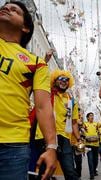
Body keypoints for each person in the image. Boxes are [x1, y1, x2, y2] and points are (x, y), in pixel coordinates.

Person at [0, 1, 57, 180]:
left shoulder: (36, 63)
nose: (6, 8)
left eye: (14, 10)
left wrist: (51, 148)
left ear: (25, 27)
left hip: (13, 145)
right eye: (4, 7)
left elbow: (43, 107)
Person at [51, 70, 81, 180]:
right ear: (54, 81)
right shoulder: (48, 94)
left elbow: (74, 123)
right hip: (47, 136)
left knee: (70, 171)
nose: (64, 81)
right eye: (61, 79)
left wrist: (79, 139)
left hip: (64, 138)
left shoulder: (71, 101)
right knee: (44, 171)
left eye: (66, 79)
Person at [84, 112, 101, 179]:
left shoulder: (96, 124)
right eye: (90, 116)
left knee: (95, 160)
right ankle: (91, 174)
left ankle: (94, 170)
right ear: (87, 117)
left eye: (92, 116)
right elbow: (80, 126)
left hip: (96, 145)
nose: (92, 117)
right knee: (90, 159)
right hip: (88, 145)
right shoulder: (85, 124)